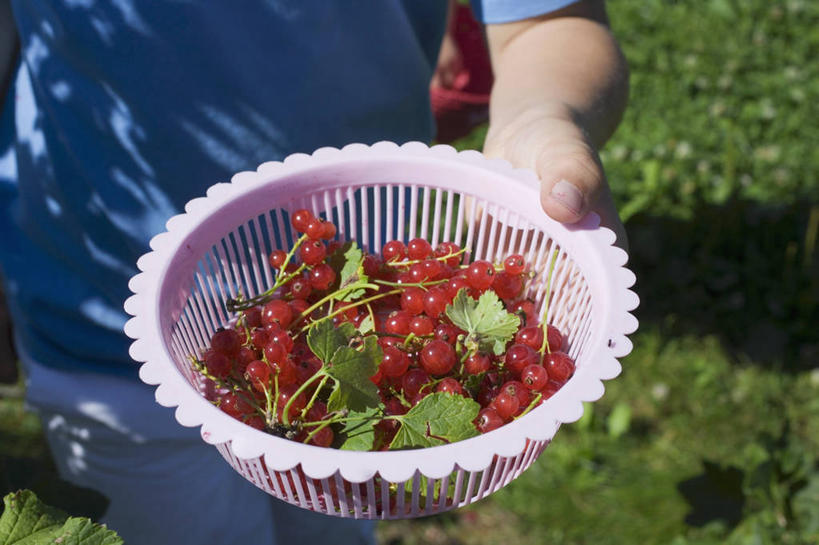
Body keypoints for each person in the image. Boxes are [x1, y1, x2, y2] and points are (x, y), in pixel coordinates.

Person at [0, 1, 628, 544]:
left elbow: (545, 21)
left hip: (359, 295)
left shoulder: (372, 315)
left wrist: (541, 119)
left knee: (338, 518)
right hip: (96, 332)